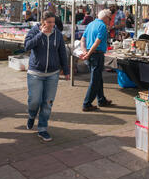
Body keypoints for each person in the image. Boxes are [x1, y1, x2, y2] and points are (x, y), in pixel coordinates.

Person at [24, 11, 69, 142]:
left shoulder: (58, 34)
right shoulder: (34, 31)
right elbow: (27, 46)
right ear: (43, 22)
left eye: (53, 22)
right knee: (34, 101)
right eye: (49, 22)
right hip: (35, 73)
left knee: (48, 103)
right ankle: (32, 115)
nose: (51, 25)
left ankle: (42, 129)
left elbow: (62, 53)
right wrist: (40, 34)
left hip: (52, 74)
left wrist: (66, 70)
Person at [80, 9, 113, 111]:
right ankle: (87, 103)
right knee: (95, 80)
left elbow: (83, 39)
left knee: (98, 78)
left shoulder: (91, 24)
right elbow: (97, 42)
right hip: (96, 55)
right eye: (110, 18)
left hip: (91, 54)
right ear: (106, 17)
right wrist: (88, 54)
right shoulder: (102, 26)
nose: (110, 20)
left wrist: (85, 51)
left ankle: (101, 99)